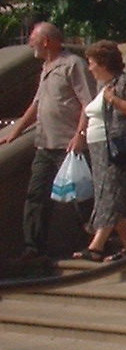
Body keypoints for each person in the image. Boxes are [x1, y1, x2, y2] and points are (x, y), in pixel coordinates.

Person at [0, 22, 94, 266]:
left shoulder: (73, 64)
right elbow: (36, 105)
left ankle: (92, 242)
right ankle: (34, 247)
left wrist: (80, 135)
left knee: (79, 197)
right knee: (36, 195)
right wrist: (15, 132)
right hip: (45, 144)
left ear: (47, 41)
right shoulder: (46, 68)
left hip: (69, 144)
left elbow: (88, 103)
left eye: (33, 39)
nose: (30, 44)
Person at [72, 40, 126, 262]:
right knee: (114, 198)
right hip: (98, 150)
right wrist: (81, 134)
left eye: (91, 63)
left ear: (103, 62)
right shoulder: (101, 86)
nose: (89, 68)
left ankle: (96, 246)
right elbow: (90, 112)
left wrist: (113, 100)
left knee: (109, 195)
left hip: (119, 149)